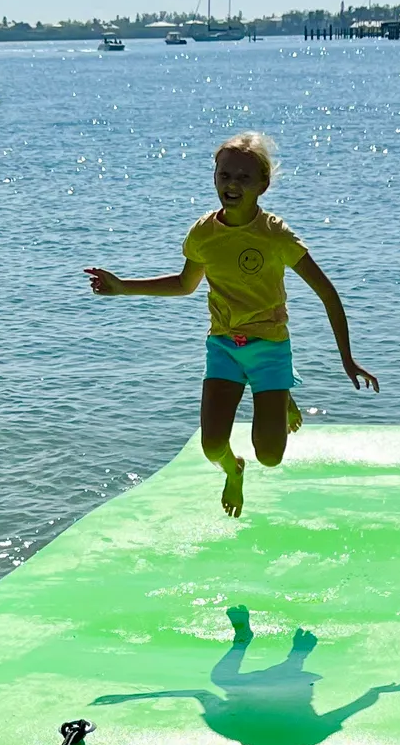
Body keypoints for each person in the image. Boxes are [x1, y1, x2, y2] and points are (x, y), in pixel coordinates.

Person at [85, 131, 379, 515]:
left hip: (270, 349)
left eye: (243, 178)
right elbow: (184, 284)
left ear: (262, 185)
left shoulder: (276, 235)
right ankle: (233, 470)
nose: (232, 185)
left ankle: (282, 392)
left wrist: (347, 358)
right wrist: (123, 287)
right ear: (214, 178)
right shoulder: (204, 233)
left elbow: (327, 293)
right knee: (211, 447)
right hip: (223, 345)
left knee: (271, 456)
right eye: (224, 176)